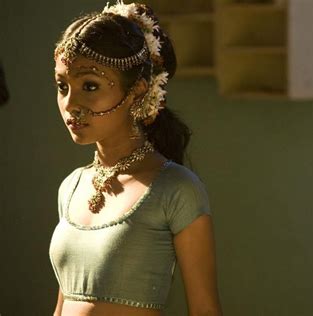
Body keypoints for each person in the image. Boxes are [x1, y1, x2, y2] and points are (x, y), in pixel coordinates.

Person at [48, 2, 223, 315]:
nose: (71, 104)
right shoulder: (71, 187)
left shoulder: (176, 189)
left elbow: (205, 310)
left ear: (138, 92)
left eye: (90, 86)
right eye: (63, 86)